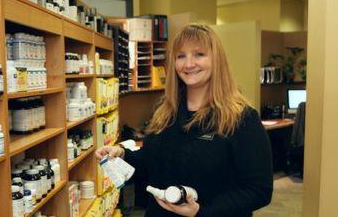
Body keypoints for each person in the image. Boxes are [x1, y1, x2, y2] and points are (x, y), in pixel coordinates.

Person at [96, 24, 273, 216]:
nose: (188, 64)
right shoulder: (165, 112)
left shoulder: (241, 118)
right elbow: (151, 163)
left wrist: (202, 212)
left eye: (199, 54)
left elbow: (259, 190)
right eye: (181, 56)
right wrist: (122, 155)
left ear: (217, 60)